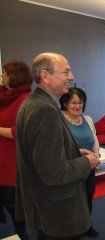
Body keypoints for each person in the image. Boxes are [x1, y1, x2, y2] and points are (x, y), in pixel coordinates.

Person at [15, 52, 100, 240]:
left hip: (45, 205)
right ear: (45, 75)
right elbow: (53, 172)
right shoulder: (44, 110)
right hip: (56, 211)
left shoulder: (33, 102)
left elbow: (41, 154)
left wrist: (74, 152)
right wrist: (87, 162)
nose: (71, 77)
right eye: (66, 72)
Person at [59, 87, 99, 237]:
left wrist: (96, 156)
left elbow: (94, 141)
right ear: (65, 103)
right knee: (71, 201)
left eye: (80, 102)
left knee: (88, 197)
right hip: (71, 168)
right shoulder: (60, 120)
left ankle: (87, 225)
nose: (77, 106)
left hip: (89, 168)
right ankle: (70, 228)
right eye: (73, 102)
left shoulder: (87, 119)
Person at [0, 60, 33, 240]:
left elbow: (19, 132)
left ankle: (22, 233)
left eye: (4, 73)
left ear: (14, 76)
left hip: (12, 162)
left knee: (14, 205)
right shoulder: (3, 95)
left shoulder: (25, 100)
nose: (2, 76)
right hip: (1, 157)